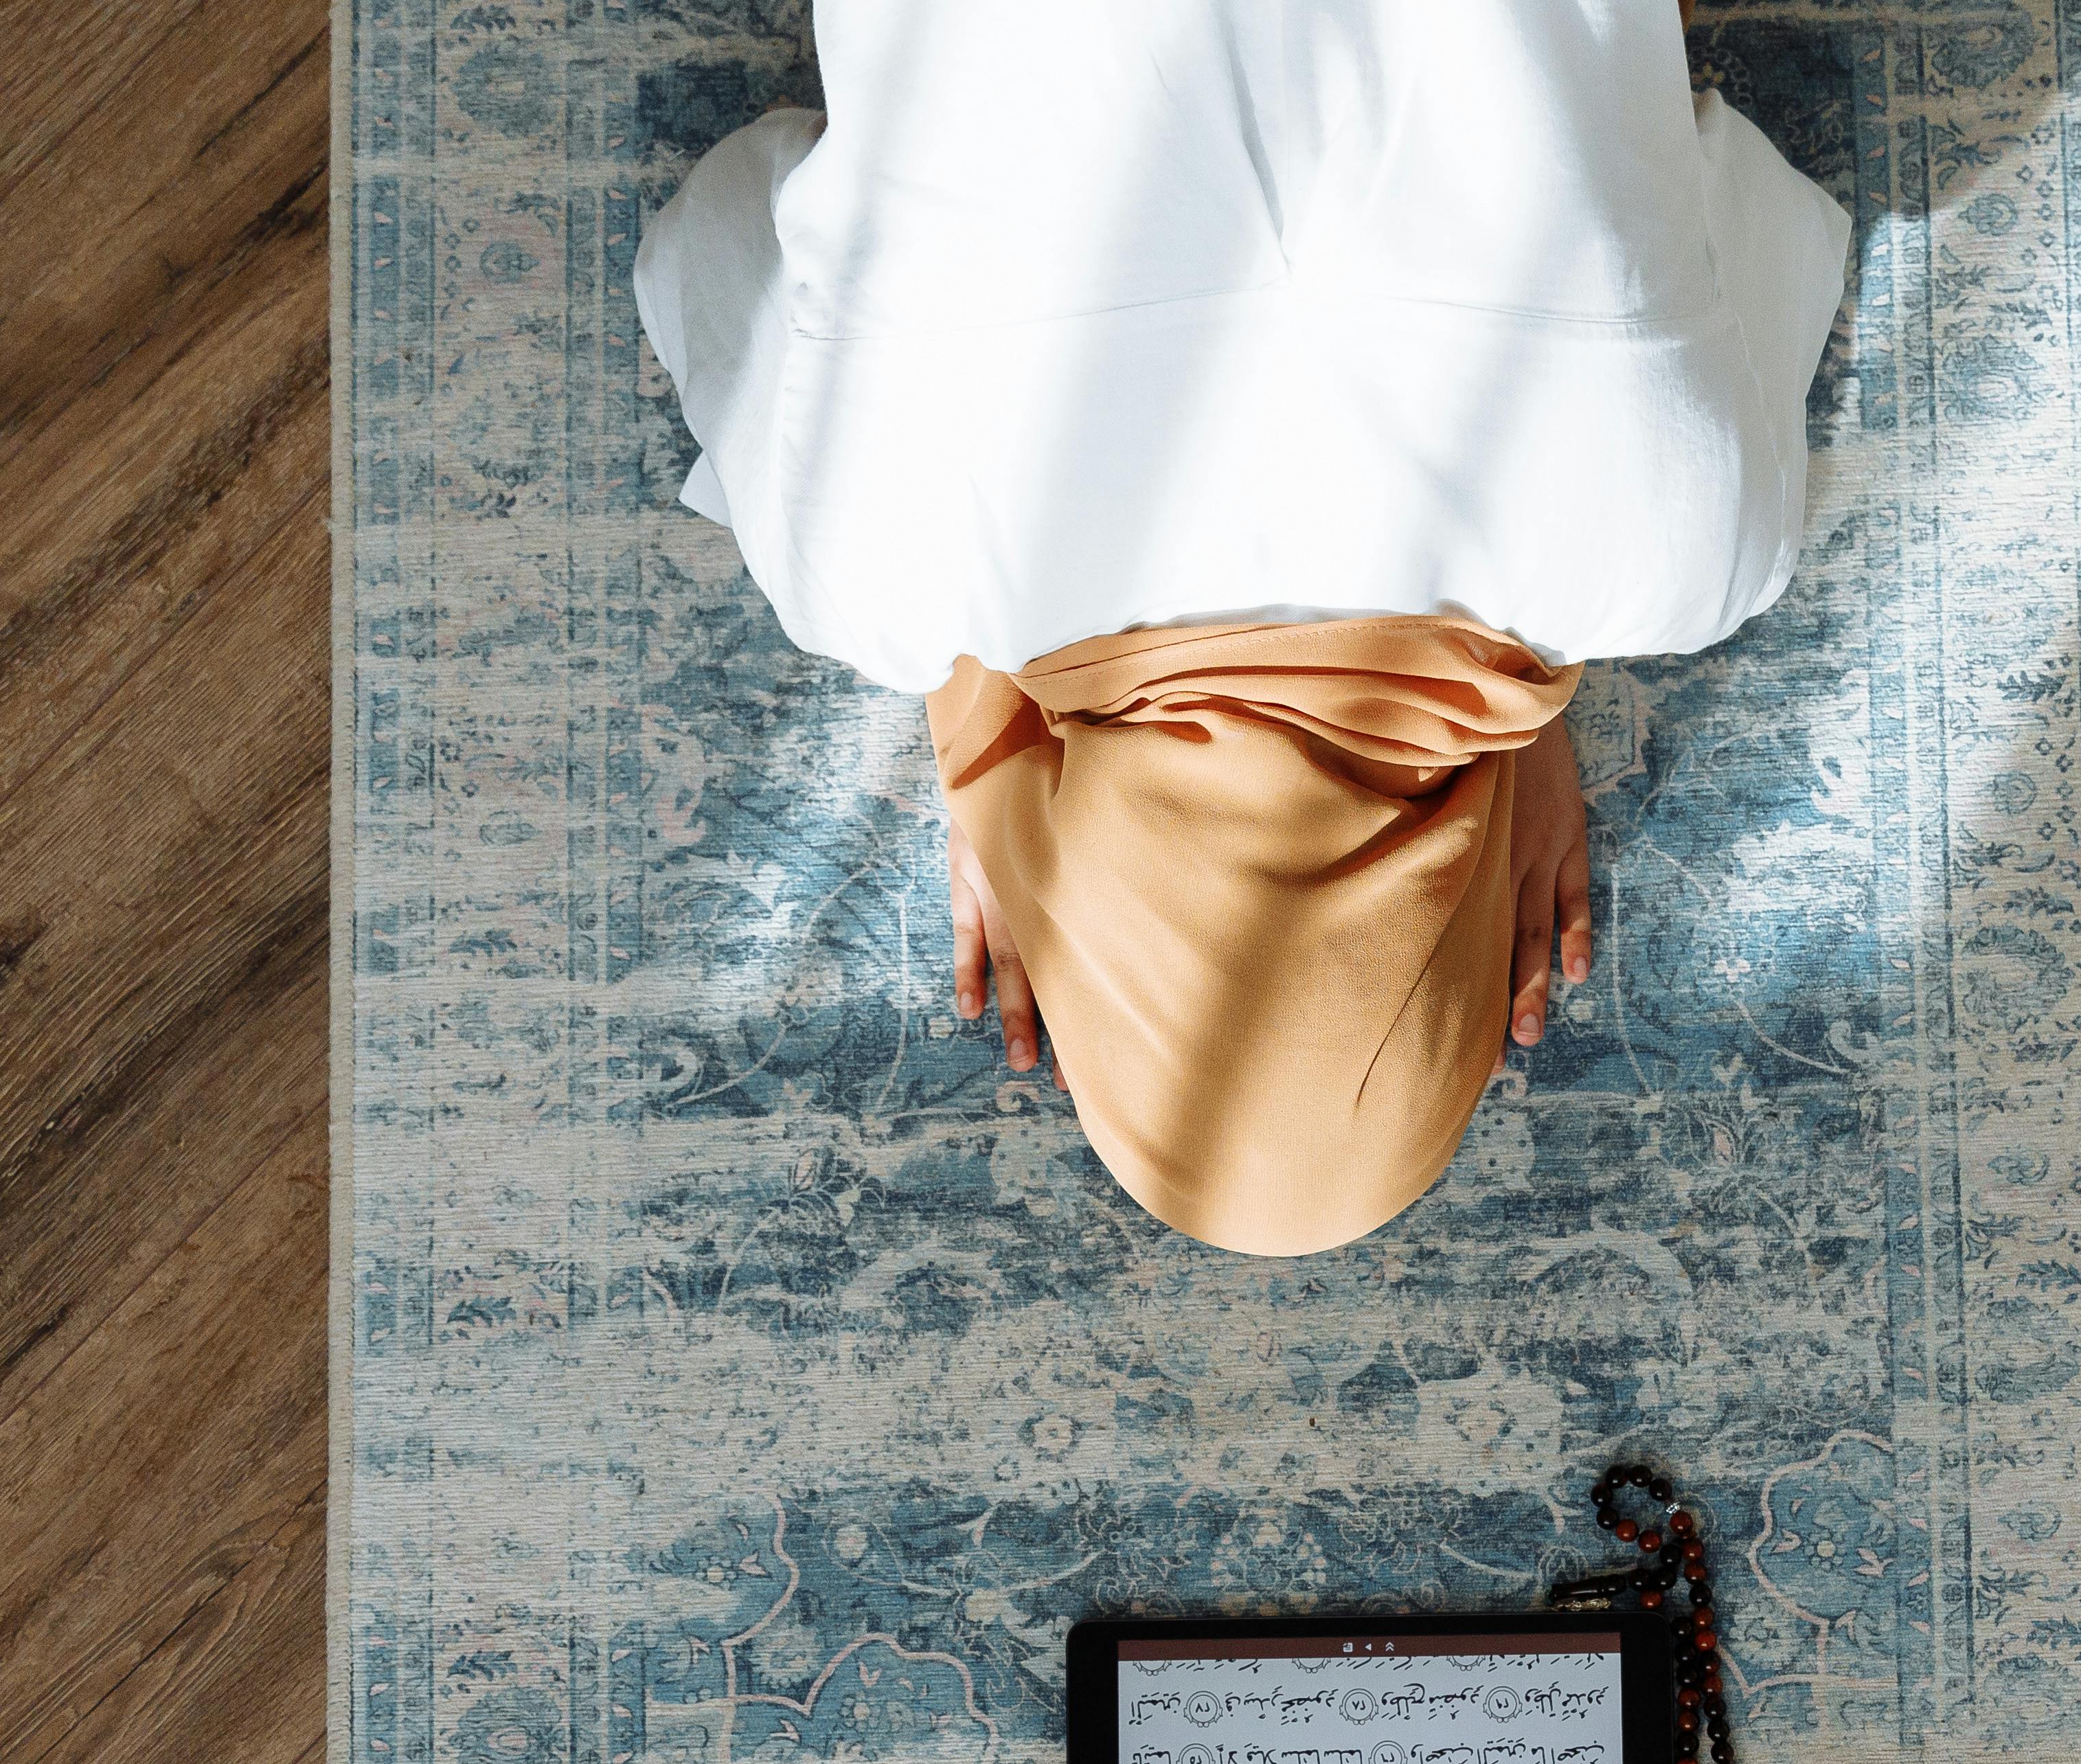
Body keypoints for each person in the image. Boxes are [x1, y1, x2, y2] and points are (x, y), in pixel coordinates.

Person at [635, 1, 1853, 1254]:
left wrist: (1523, 683)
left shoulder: (1686, 544)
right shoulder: (876, 559)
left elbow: (1760, 194)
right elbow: (711, 233)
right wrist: (974, 703)